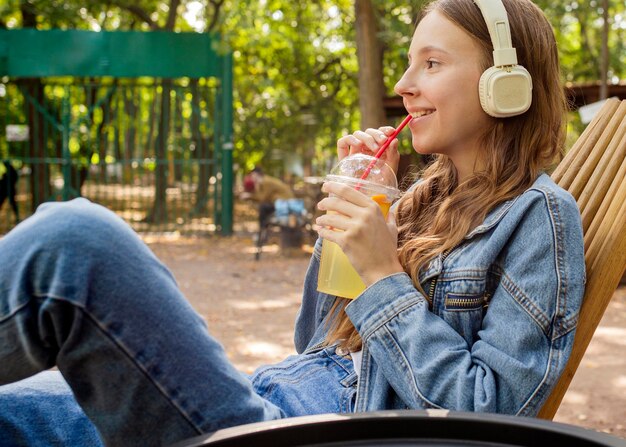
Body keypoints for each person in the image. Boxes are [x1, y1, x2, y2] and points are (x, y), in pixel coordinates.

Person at [0, 0, 585, 445]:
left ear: (505, 86)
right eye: (409, 64)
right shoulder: (424, 200)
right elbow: (313, 341)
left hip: (300, 432)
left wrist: (382, 275)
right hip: (274, 395)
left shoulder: (539, 218)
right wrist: (357, 211)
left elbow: (489, 415)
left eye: (431, 64)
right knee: (14, 407)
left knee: (76, 243)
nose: (405, 86)